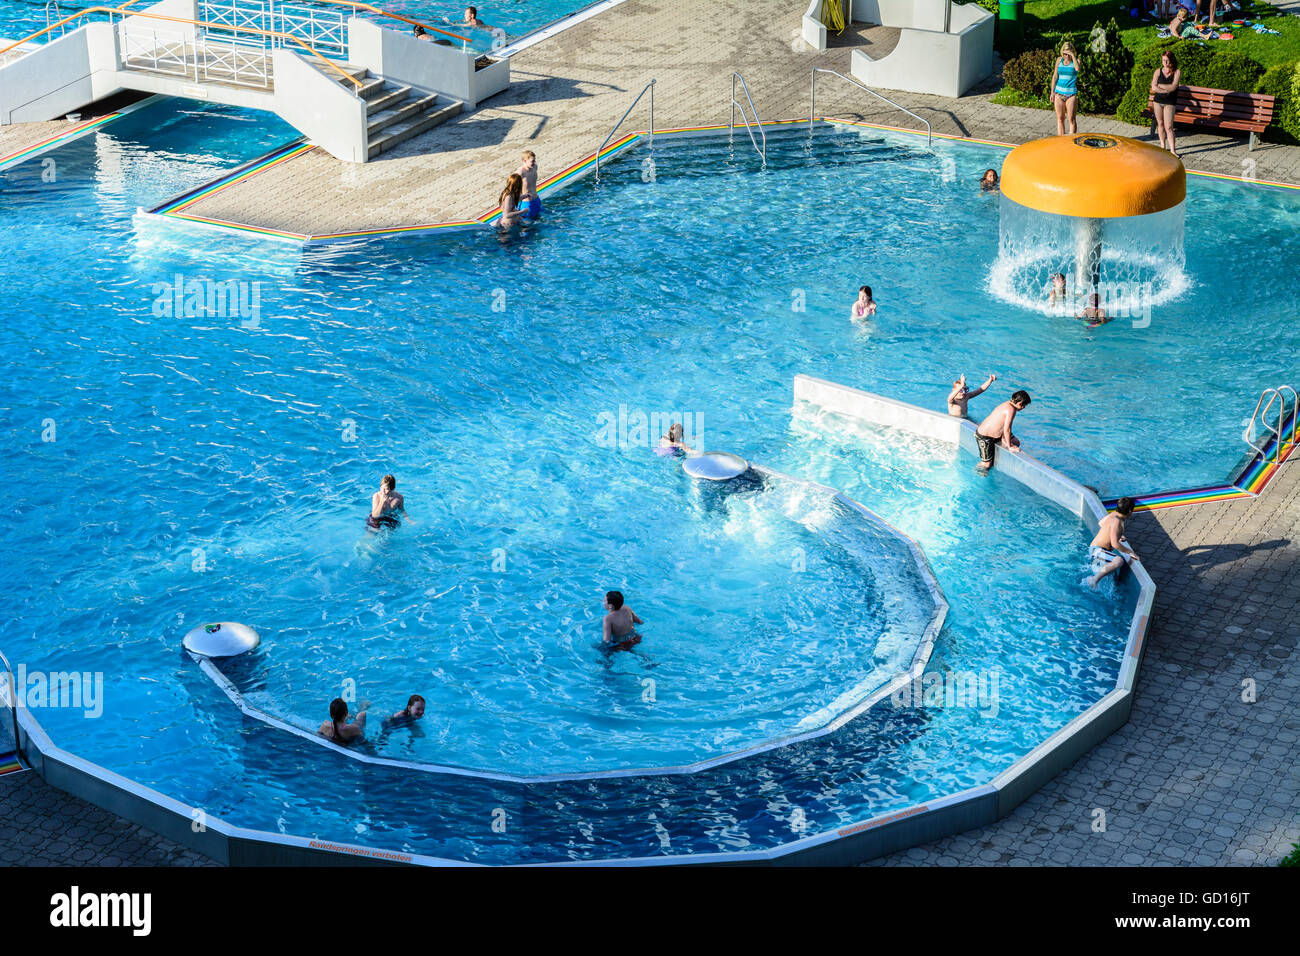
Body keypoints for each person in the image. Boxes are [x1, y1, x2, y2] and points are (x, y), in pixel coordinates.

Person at [1088, 497, 1140, 587]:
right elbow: (1115, 544)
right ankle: (1093, 579)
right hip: (1098, 551)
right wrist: (1130, 552)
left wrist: (1115, 535)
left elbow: (1101, 523)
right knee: (1118, 561)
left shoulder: (1113, 514)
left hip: (1095, 550)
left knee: (1113, 579)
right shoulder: (1117, 522)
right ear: (1130, 511)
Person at [974, 390, 1030, 472]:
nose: (1023, 408)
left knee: (1016, 442)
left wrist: (1005, 440)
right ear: (1020, 403)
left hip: (997, 434)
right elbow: (1007, 429)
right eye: (1024, 406)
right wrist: (1009, 446)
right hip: (985, 436)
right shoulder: (1011, 410)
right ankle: (978, 473)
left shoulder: (1008, 403)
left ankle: (998, 458)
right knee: (987, 464)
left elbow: (1005, 426)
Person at [1151, 50, 1181, 157]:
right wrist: (1165, 90)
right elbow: (1153, 87)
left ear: (1171, 60)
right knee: (1160, 124)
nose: (1165, 63)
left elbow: (1174, 87)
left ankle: (1172, 150)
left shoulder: (1177, 72)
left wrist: (1160, 86)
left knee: (1169, 127)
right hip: (1158, 101)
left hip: (1170, 102)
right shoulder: (1158, 72)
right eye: (1163, 60)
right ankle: (1163, 146)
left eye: (1167, 61)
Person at [1051, 42, 1080, 136]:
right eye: (1065, 54)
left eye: (1068, 54)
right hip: (1059, 94)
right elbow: (1055, 76)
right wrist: (1052, 92)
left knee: (1071, 118)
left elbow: (1077, 69)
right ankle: (1061, 140)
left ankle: (1071, 140)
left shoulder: (1076, 61)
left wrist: (1072, 55)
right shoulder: (1059, 60)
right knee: (1060, 118)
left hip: (1071, 95)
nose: (1066, 56)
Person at [517, 150, 542, 220]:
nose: (534, 163)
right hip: (526, 203)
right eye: (532, 161)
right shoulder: (520, 173)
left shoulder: (534, 167)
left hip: (536, 200)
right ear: (525, 161)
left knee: (538, 220)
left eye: (534, 160)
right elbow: (512, 189)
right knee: (527, 225)